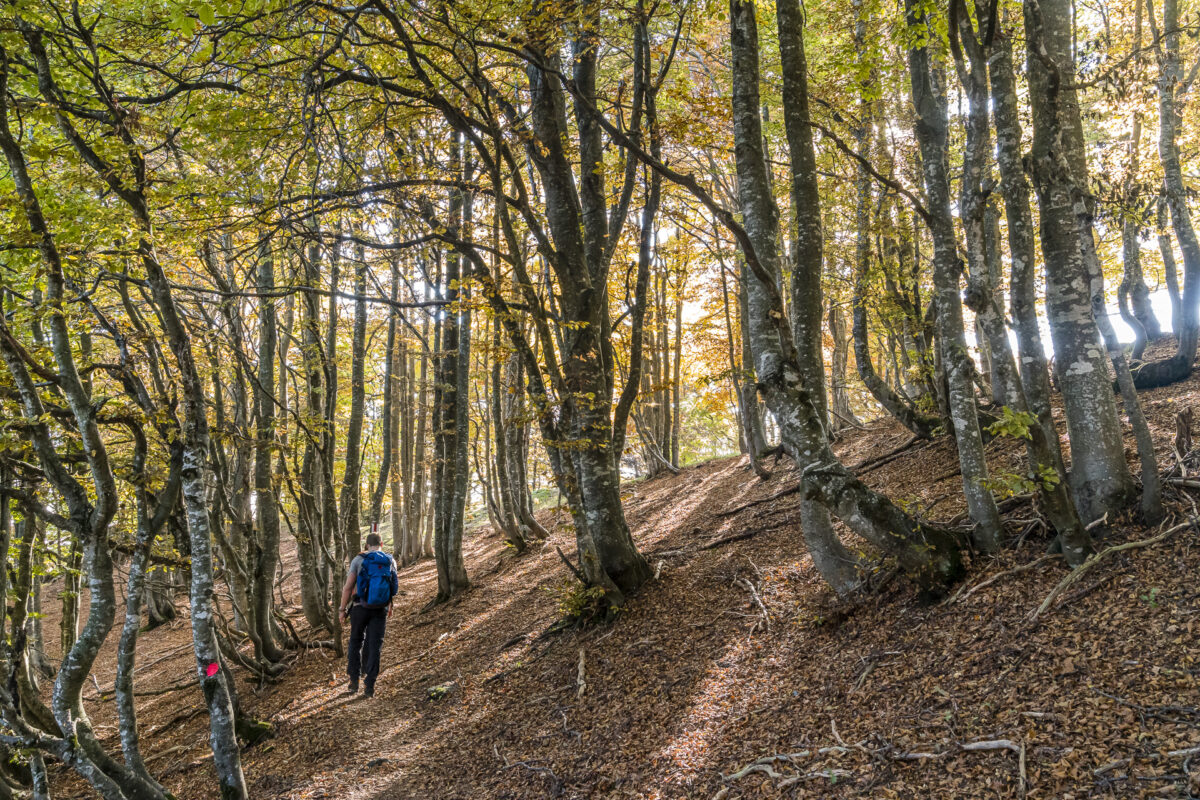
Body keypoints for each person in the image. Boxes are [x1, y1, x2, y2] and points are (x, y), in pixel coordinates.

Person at [339, 532, 398, 698]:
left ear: (366, 545)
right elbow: (392, 586)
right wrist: (390, 606)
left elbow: (348, 587)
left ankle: (354, 681)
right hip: (380, 608)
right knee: (375, 645)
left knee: (356, 641)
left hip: (359, 607)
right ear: (381, 544)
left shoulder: (359, 560)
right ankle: (370, 685)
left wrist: (342, 609)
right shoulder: (389, 560)